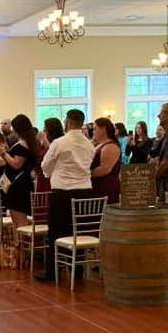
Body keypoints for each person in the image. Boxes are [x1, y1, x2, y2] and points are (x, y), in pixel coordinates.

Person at [37, 109, 95, 281]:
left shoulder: (60, 142)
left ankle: (52, 272)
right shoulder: (89, 144)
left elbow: (45, 165)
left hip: (62, 191)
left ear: (68, 121)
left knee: (56, 232)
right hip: (85, 191)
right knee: (79, 230)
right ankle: (77, 270)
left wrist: (51, 173)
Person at [0, 114, 38, 231]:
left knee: (20, 221)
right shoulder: (28, 142)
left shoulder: (23, 145)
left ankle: (22, 245)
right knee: (15, 221)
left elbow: (16, 164)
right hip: (16, 185)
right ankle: (18, 246)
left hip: (19, 186)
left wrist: (3, 153)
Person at [91, 117, 121, 204]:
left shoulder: (110, 146)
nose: (93, 132)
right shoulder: (100, 145)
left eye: (95, 129)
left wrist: (87, 174)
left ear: (103, 129)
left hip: (106, 187)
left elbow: (104, 169)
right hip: (98, 186)